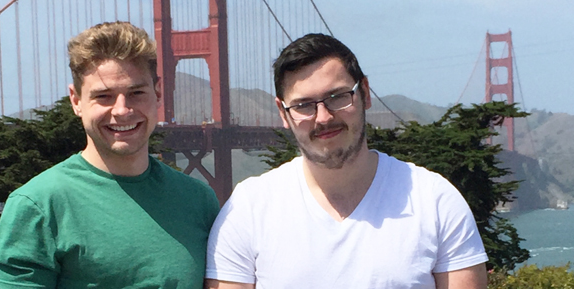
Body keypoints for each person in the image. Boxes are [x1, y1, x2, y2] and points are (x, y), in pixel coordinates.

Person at [205, 33, 488, 289]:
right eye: (303, 105)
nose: (324, 117)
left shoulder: (436, 200)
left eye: (338, 97)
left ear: (364, 92)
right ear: (283, 112)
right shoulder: (248, 209)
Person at [0, 22, 220, 288]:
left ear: (157, 93)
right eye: (104, 96)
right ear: (76, 101)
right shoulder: (38, 205)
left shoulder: (199, 201)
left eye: (136, 93)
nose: (122, 110)